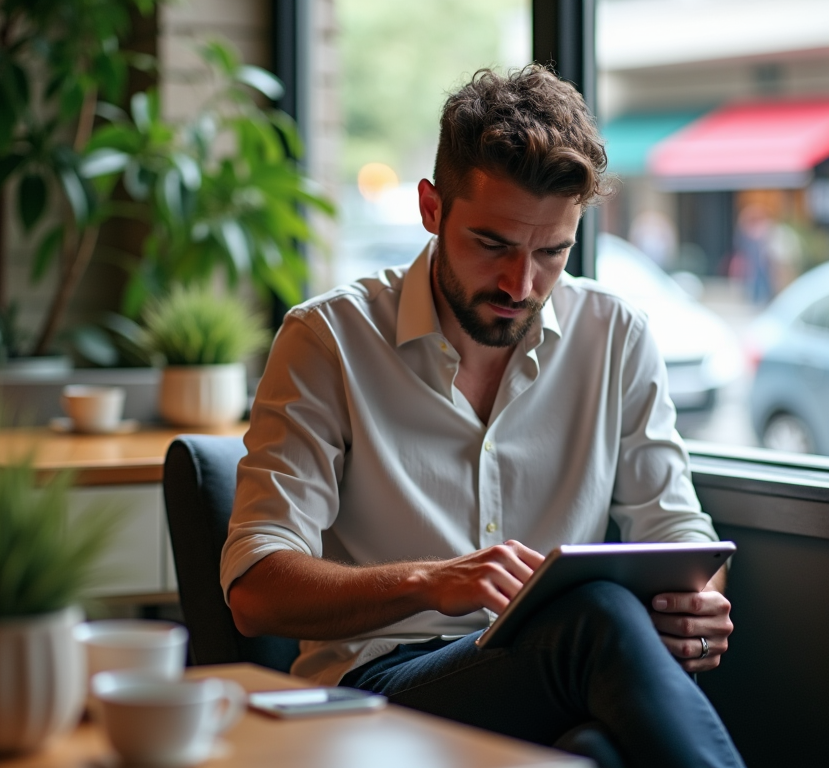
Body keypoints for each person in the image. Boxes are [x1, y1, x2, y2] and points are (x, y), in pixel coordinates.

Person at [220, 65, 744, 768]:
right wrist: (435, 580)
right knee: (596, 619)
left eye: (552, 252)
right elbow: (256, 588)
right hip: (380, 688)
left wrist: (698, 608)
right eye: (493, 244)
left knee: (597, 750)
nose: (519, 285)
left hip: (559, 688)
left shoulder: (616, 335)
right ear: (432, 208)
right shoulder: (328, 339)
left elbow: (680, 533)